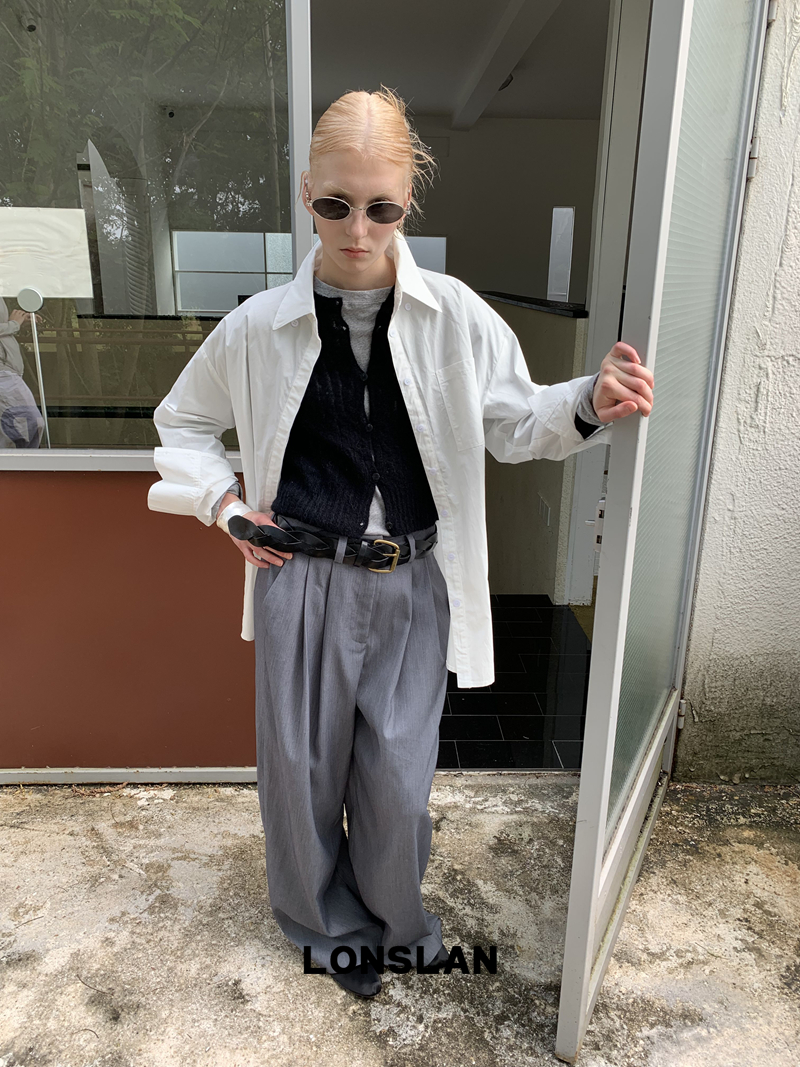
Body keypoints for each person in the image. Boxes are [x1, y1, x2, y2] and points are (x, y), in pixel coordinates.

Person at [147, 87, 654, 1000]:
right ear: (306, 194)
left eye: (381, 208)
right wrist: (225, 506)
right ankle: (323, 926)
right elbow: (182, 422)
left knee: (397, 776)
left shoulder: (453, 314)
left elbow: (515, 419)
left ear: (407, 202)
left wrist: (589, 399)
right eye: (335, 203)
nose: (358, 230)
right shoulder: (257, 326)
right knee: (300, 773)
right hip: (301, 573)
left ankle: (396, 917)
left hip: (416, 581)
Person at [0, 297, 45, 449]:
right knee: (29, 423)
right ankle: (20, 462)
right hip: (3, 373)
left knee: (17, 427)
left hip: (9, 371)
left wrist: (19, 322)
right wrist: (13, 324)